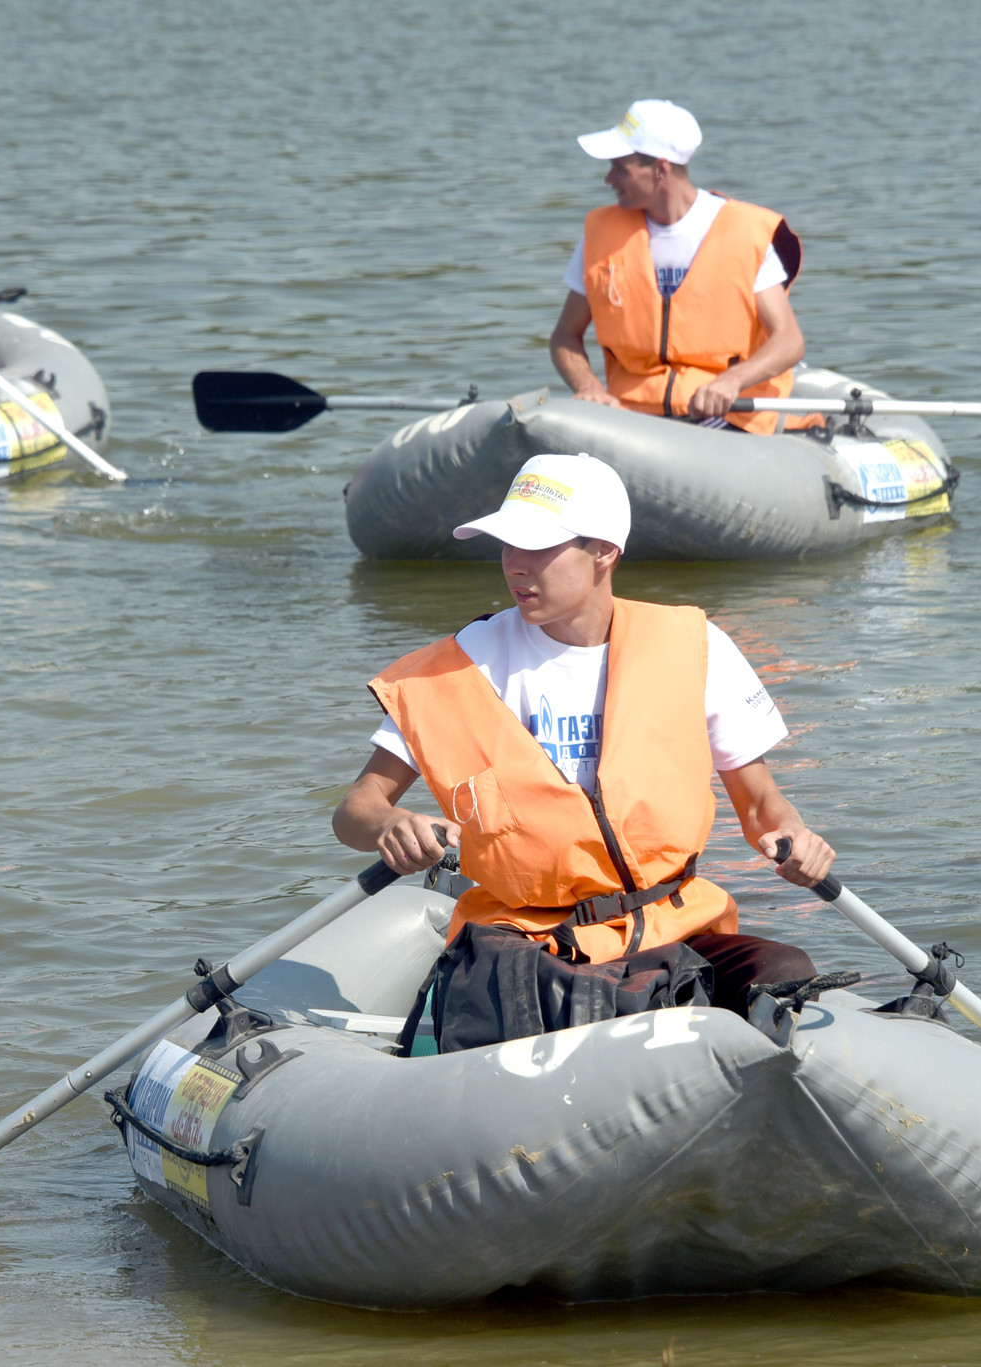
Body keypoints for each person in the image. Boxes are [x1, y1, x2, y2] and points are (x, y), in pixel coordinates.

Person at [332, 453, 834, 1005]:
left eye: (539, 547)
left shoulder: (695, 645)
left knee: (786, 971)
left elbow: (761, 803)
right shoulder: (460, 665)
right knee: (580, 1002)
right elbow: (357, 809)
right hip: (524, 940)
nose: (515, 565)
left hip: (672, 925)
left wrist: (797, 838)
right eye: (507, 544)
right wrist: (390, 825)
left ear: (605, 552)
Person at [547, 99, 817, 435]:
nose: (609, 178)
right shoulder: (600, 233)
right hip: (632, 418)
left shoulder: (746, 232)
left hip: (729, 417)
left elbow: (789, 341)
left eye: (621, 168)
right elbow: (564, 336)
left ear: (661, 169)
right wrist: (589, 388)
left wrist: (731, 382)